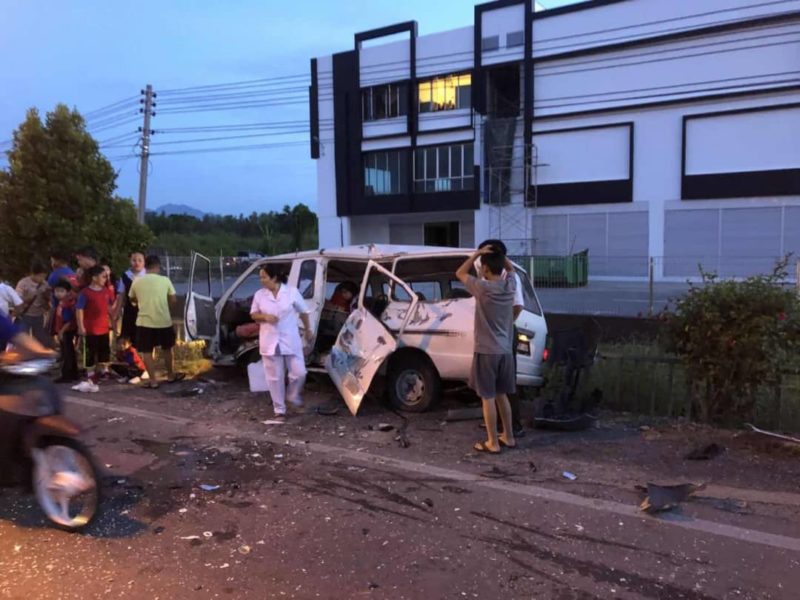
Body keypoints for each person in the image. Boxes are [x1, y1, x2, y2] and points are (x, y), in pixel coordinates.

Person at [456, 245, 517, 454]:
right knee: (502, 394)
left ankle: (492, 442)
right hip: (505, 351)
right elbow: (512, 271)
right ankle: (508, 436)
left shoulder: (482, 288)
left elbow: (460, 273)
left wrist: (477, 254)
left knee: (488, 396)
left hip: (486, 351)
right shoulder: (510, 286)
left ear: (485, 269)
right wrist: (500, 257)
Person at [250, 263, 313, 423]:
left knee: (299, 372)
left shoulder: (291, 292)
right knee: (274, 377)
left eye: (264, 277)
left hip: (290, 338)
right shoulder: (259, 295)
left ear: (274, 277)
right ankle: (279, 410)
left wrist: (308, 329)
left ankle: (292, 395)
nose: (261, 280)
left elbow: (304, 311)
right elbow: (253, 314)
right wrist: (265, 317)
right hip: (269, 339)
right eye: (260, 277)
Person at [478, 239, 526, 438]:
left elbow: (518, 306)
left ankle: (513, 427)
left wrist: (504, 325)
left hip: (501, 336)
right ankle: (500, 427)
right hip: (501, 336)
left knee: (503, 387)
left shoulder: (506, 278)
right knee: (499, 387)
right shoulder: (504, 276)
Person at [128, 255, 182, 388]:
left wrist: (140, 302)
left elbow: (132, 299)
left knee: (146, 351)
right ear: (158, 267)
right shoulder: (165, 280)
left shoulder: (137, 281)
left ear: (145, 266)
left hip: (144, 322)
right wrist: (164, 305)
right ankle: (170, 375)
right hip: (163, 320)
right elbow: (174, 300)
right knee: (167, 349)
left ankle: (153, 381)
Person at [76, 265, 113, 386]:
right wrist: (81, 326)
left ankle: (104, 370)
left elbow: (109, 308)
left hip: (104, 328)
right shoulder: (85, 293)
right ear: (94, 278)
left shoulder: (106, 292)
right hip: (90, 329)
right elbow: (79, 309)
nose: (105, 279)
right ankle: (90, 372)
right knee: (89, 352)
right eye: (103, 277)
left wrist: (112, 322)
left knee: (104, 350)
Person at [15, 262, 52, 346]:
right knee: (24, 338)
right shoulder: (23, 283)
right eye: (40, 276)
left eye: (44, 276)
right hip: (25, 315)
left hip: (39, 315)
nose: (42, 279)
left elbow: (48, 299)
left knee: (39, 338)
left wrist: (46, 296)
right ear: (33, 274)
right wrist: (30, 297)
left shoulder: (45, 284)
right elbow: (17, 299)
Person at [52, 279, 79, 383]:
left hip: (66, 331)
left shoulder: (67, 304)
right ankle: (73, 374)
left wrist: (61, 332)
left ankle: (67, 375)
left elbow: (68, 321)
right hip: (64, 330)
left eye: (61, 291)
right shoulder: (63, 302)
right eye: (56, 291)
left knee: (67, 352)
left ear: (67, 292)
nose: (58, 293)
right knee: (69, 351)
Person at [116, 252, 147, 342]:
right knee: (127, 338)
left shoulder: (148, 275)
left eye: (139, 260)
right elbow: (121, 294)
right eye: (134, 260)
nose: (137, 263)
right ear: (130, 261)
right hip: (129, 310)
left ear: (144, 262)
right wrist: (117, 311)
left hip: (144, 311)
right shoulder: (125, 275)